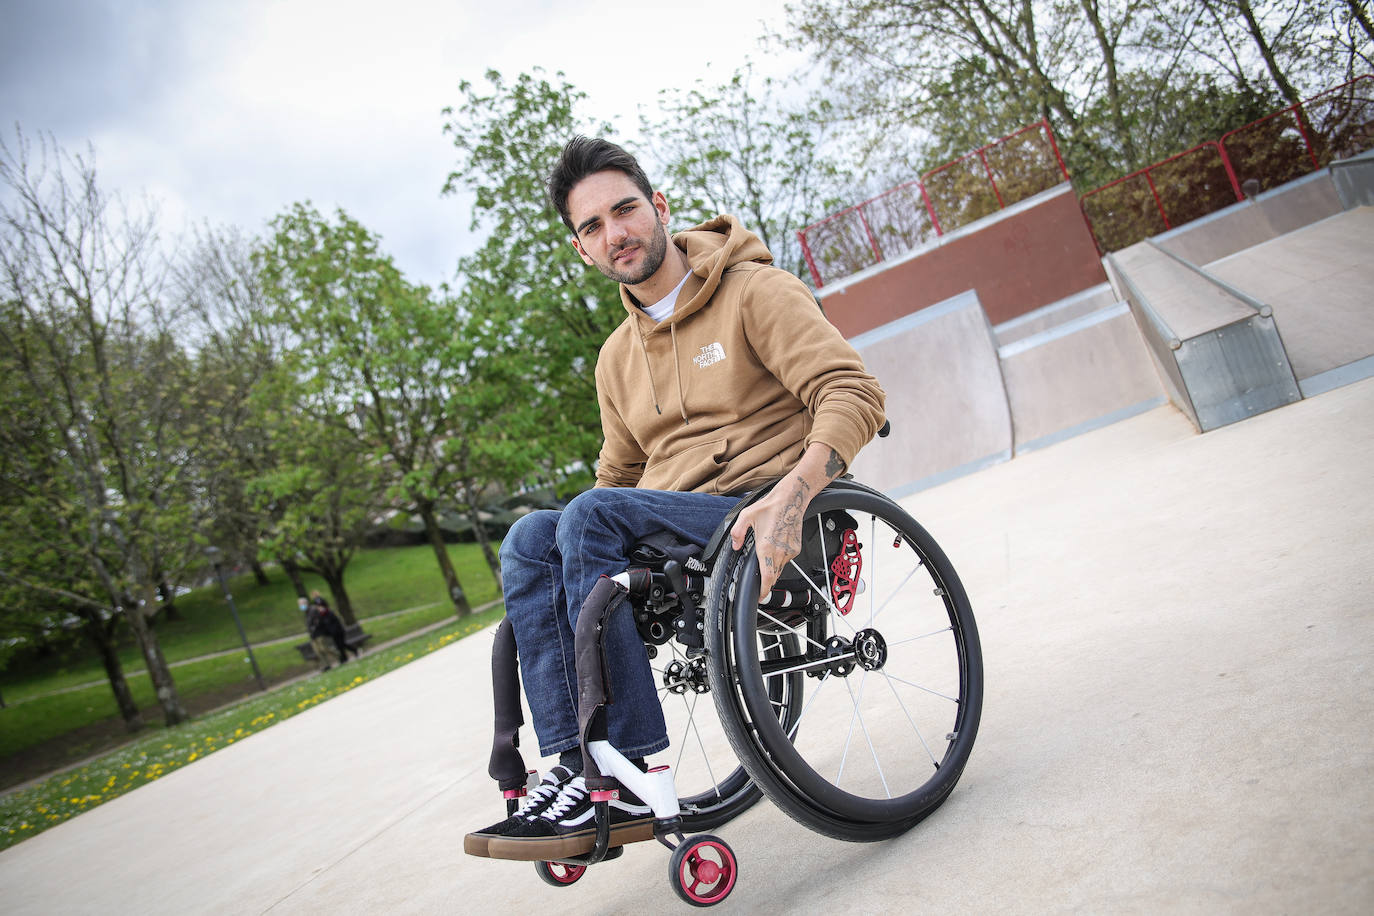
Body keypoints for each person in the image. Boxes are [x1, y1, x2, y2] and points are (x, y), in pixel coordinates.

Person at [465, 137, 885, 858]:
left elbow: (854, 392)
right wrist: (571, 547)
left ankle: (633, 767)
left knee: (589, 517)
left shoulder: (756, 291)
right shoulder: (615, 358)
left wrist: (794, 495)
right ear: (581, 250)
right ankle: (573, 764)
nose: (615, 233)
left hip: (762, 504)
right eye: (593, 226)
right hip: (674, 529)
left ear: (659, 207)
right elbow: (616, 478)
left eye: (625, 210)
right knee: (530, 538)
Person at [309, 591, 358, 666]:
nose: (319, 609)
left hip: (338, 631)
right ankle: (345, 657)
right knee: (339, 645)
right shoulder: (321, 616)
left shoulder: (329, 613)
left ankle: (351, 652)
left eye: (320, 607)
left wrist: (334, 630)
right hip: (332, 632)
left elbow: (335, 622)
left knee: (341, 644)